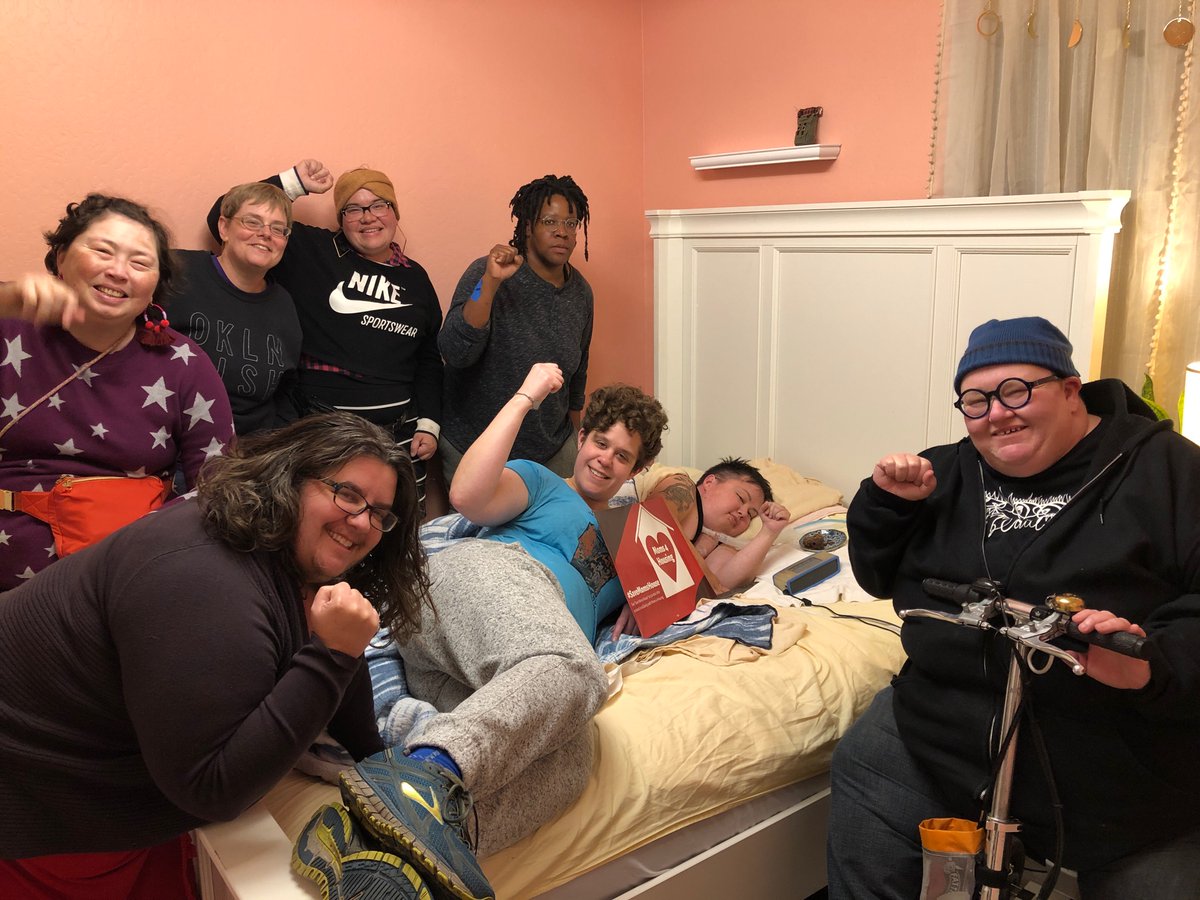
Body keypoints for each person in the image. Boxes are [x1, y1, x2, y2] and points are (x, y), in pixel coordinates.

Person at [827, 317, 1200, 898]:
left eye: (1016, 391)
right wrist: (886, 507)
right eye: (976, 401)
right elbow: (876, 577)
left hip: (1114, 749)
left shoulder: (1170, 471)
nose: (997, 414)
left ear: (1071, 389)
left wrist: (1150, 666)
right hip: (941, 723)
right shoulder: (943, 471)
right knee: (865, 762)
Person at [0, 412, 430, 898]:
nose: (362, 522)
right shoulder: (207, 579)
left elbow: (335, 661)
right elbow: (212, 790)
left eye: (380, 514)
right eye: (347, 494)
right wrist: (332, 655)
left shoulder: (273, 547)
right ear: (289, 477)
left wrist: (377, 763)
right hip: (36, 804)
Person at [329, 363, 668, 900]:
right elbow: (467, 495)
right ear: (582, 438)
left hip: (496, 671)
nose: (606, 459)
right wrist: (526, 396)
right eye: (600, 443)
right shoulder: (541, 483)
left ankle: (377, 851)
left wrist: (643, 598)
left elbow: (695, 538)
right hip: (483, 581)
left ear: (637, 469)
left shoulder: (629, 534)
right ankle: (430, 769)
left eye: (623, 455)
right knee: (580, 673)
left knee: (571, 755)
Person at [0, 194, 234, 591]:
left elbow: (217, 488)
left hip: (123, 580)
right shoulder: (11, 324)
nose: (118, 271)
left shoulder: (184, 364)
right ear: (61, 258)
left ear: (156, 285)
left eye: (140, 262)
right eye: (102, 251)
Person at [209, 160, 443, 504]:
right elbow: (223, 217)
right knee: (323, 523)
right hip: (323, 435)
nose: (368, 217)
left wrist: (430, 423)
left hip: (400, 438)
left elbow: (429, 356)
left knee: (397, 525)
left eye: (379, 205)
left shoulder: (416, 278)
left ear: (394, 212)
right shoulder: (311, 250)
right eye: (353, 209)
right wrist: (293, 182)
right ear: (341, 219)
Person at [438, 175, 592, 484]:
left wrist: (577, 443)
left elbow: (577, 375)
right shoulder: (487, 273)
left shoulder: (581, 293)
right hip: (476, 447)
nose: (562, 232)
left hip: (551, 452)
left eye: (571, 223)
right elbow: (455, 352)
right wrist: (490, 282)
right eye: (550, 221)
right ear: (528, 227)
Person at [171, 181, 302, 435]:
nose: (266, 234)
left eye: (278, 229)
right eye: (252, 222)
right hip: (169, 438)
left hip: (250, 450)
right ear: (224, 228)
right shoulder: (178, 271)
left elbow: (285, 392)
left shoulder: (284, 305)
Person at [636, 457, 792, 591]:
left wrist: (769, 531)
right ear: (709, 482)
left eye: (751, 515)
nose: (744, 513)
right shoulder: (683, 486)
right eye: (741, 498)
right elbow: (652, 520)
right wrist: (706, 573)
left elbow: (724, 583)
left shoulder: (716, 543)